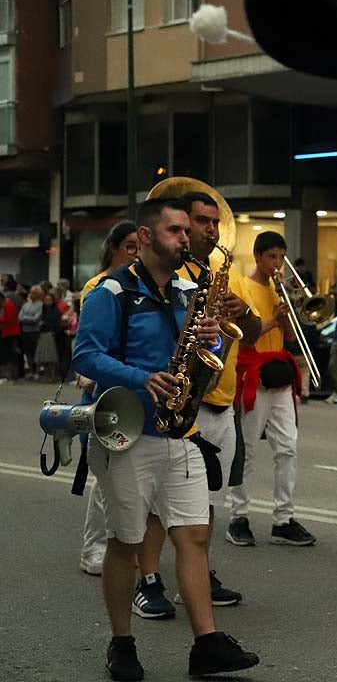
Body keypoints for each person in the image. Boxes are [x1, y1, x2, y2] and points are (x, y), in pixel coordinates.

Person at [72, 197, 258, 681]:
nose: (186, 239)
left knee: (194, 536)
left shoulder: (186, 287)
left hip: (181, 430)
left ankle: (207, 644)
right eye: (176, 231)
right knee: (125, 542)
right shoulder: (110, 292)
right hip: (130, 430)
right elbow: (85, 356)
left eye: (185, 231)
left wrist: (213, 337)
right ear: (148, 237)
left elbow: (204, 346)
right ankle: (122, 643)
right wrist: (140, 377)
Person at [124, 189, 262, 612]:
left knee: (205, 507)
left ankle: (198, 575)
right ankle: (148, 581)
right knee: (154, 510)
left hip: (221, 403)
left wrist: (243, 315)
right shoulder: (166, 274)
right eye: (200, 221)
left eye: (213, 222)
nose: (208, 230)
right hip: (181, 403)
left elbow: (253, 334)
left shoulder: (225, 272)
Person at [226, 231, 316, 548]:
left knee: (288, 447)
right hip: (252, 373)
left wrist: (286, 312)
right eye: (272, 257)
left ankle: (283, 519)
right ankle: (238, 516)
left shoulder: (280, 292)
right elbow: (244, 336)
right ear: (258, 256)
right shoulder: (243, 287)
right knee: (246, 450)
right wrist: (272, 322)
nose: (277, 264)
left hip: (278, 376)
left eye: (281, 257)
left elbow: (290, 339)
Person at [76, 220, 142, 576]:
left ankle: (123, 544)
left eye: (139, 247)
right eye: (129, 247)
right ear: (114, 248)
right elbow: (91, 344)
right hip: (106, 389)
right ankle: (94, 548)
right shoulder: (99, 286)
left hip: (136, 390)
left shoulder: (143, 285)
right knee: (107, 478)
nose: (136, 254)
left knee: (126, 481)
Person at [36, 290, 64, 383]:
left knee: (51, 358)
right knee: (44, 358)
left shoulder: (55, 311)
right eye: (46, 300)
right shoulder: (43, 310)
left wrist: (53, 331)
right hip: (42, 334)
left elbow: (57, 323)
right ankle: (48, 375)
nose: (47, 302)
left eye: (49, 300)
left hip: (50, 335)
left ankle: (53, 376)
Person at [19, 285, 44, 379]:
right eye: (30, 292)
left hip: (35, 332)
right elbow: (20, 317)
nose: (31, 294)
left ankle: (37, 372)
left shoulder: (41, 305)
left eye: (33, 293)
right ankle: (30, 371)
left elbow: (37, 318)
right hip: (25, 331)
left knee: (36, 352)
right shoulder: (26, 304)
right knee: (28, 352)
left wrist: (26, 318)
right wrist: (28, 318)